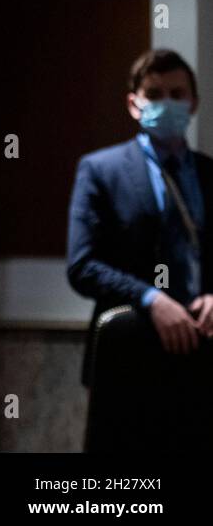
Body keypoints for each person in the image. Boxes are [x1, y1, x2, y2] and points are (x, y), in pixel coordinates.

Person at [68, 49, 213, 376]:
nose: (166, 103)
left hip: (203, 345)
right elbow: (82, 265)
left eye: (177, 94)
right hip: (128, 348)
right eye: (154, 94)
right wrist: (152, 299)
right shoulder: (101, 170)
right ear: (134, 104)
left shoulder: (209, 174)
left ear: (193, 103)